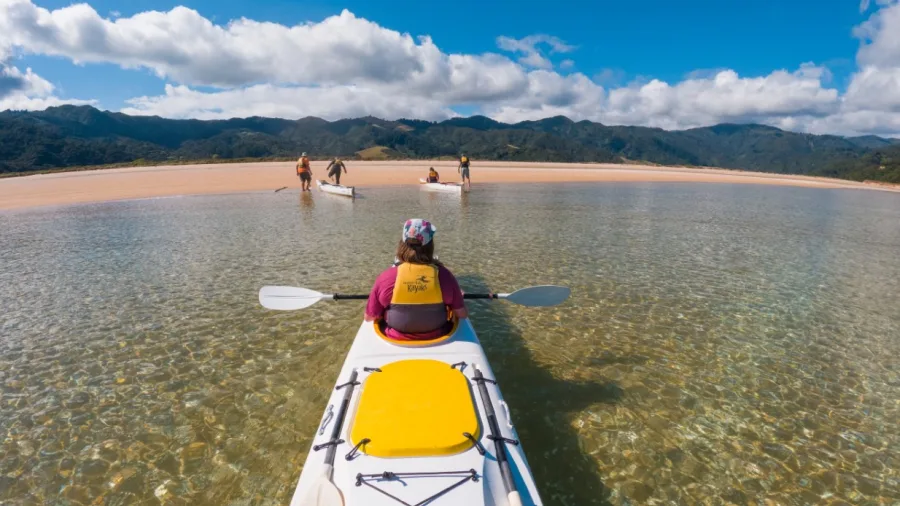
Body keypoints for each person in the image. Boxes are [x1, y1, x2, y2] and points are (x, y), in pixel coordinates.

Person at [364, 219, 468, 341]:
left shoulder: (385, 278)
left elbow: (369, 317)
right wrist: (458, 297)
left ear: (402, 244)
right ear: (430, 246)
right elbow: (462, 314)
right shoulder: (445, 276)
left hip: (395, 338)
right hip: (439, 336)